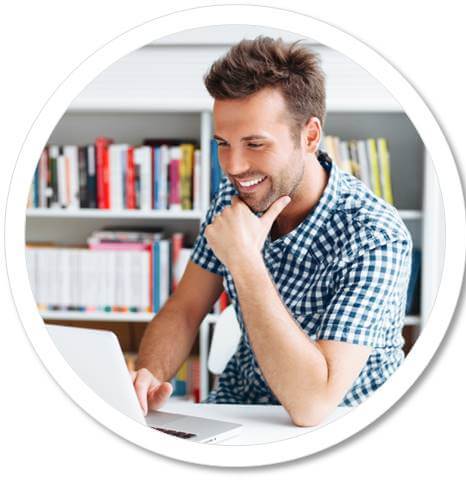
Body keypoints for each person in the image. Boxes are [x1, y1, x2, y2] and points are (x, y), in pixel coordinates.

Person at [130, 36, 412, 427]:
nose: (234, 165)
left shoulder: (374, 235)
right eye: (223, 144)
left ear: (310, 136)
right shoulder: (235, 198)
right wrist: (150, 374)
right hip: (240, 403)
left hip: (347, 419)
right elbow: (185, 309)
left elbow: (313, 406)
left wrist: (246, 262)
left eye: (255, 144)